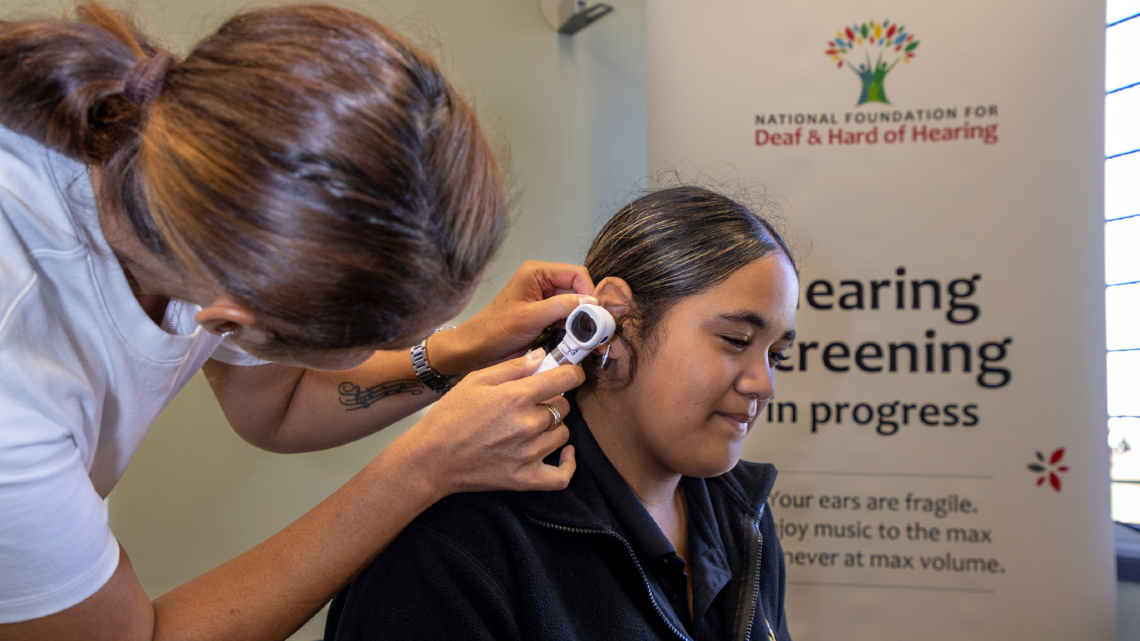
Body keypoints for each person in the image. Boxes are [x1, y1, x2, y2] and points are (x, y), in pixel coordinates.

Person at [0, 3, 595, 640]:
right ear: (230, 321)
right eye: (379, 339)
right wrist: (424, 467)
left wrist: (460, 350)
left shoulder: (223, 188)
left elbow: (276, 407)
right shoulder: (18, 406)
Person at [324, 186, 799, 641]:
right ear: (616, 320)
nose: (764, 383)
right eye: (736, 341)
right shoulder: (456, 546)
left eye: (775, 355)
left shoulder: (743, 516)